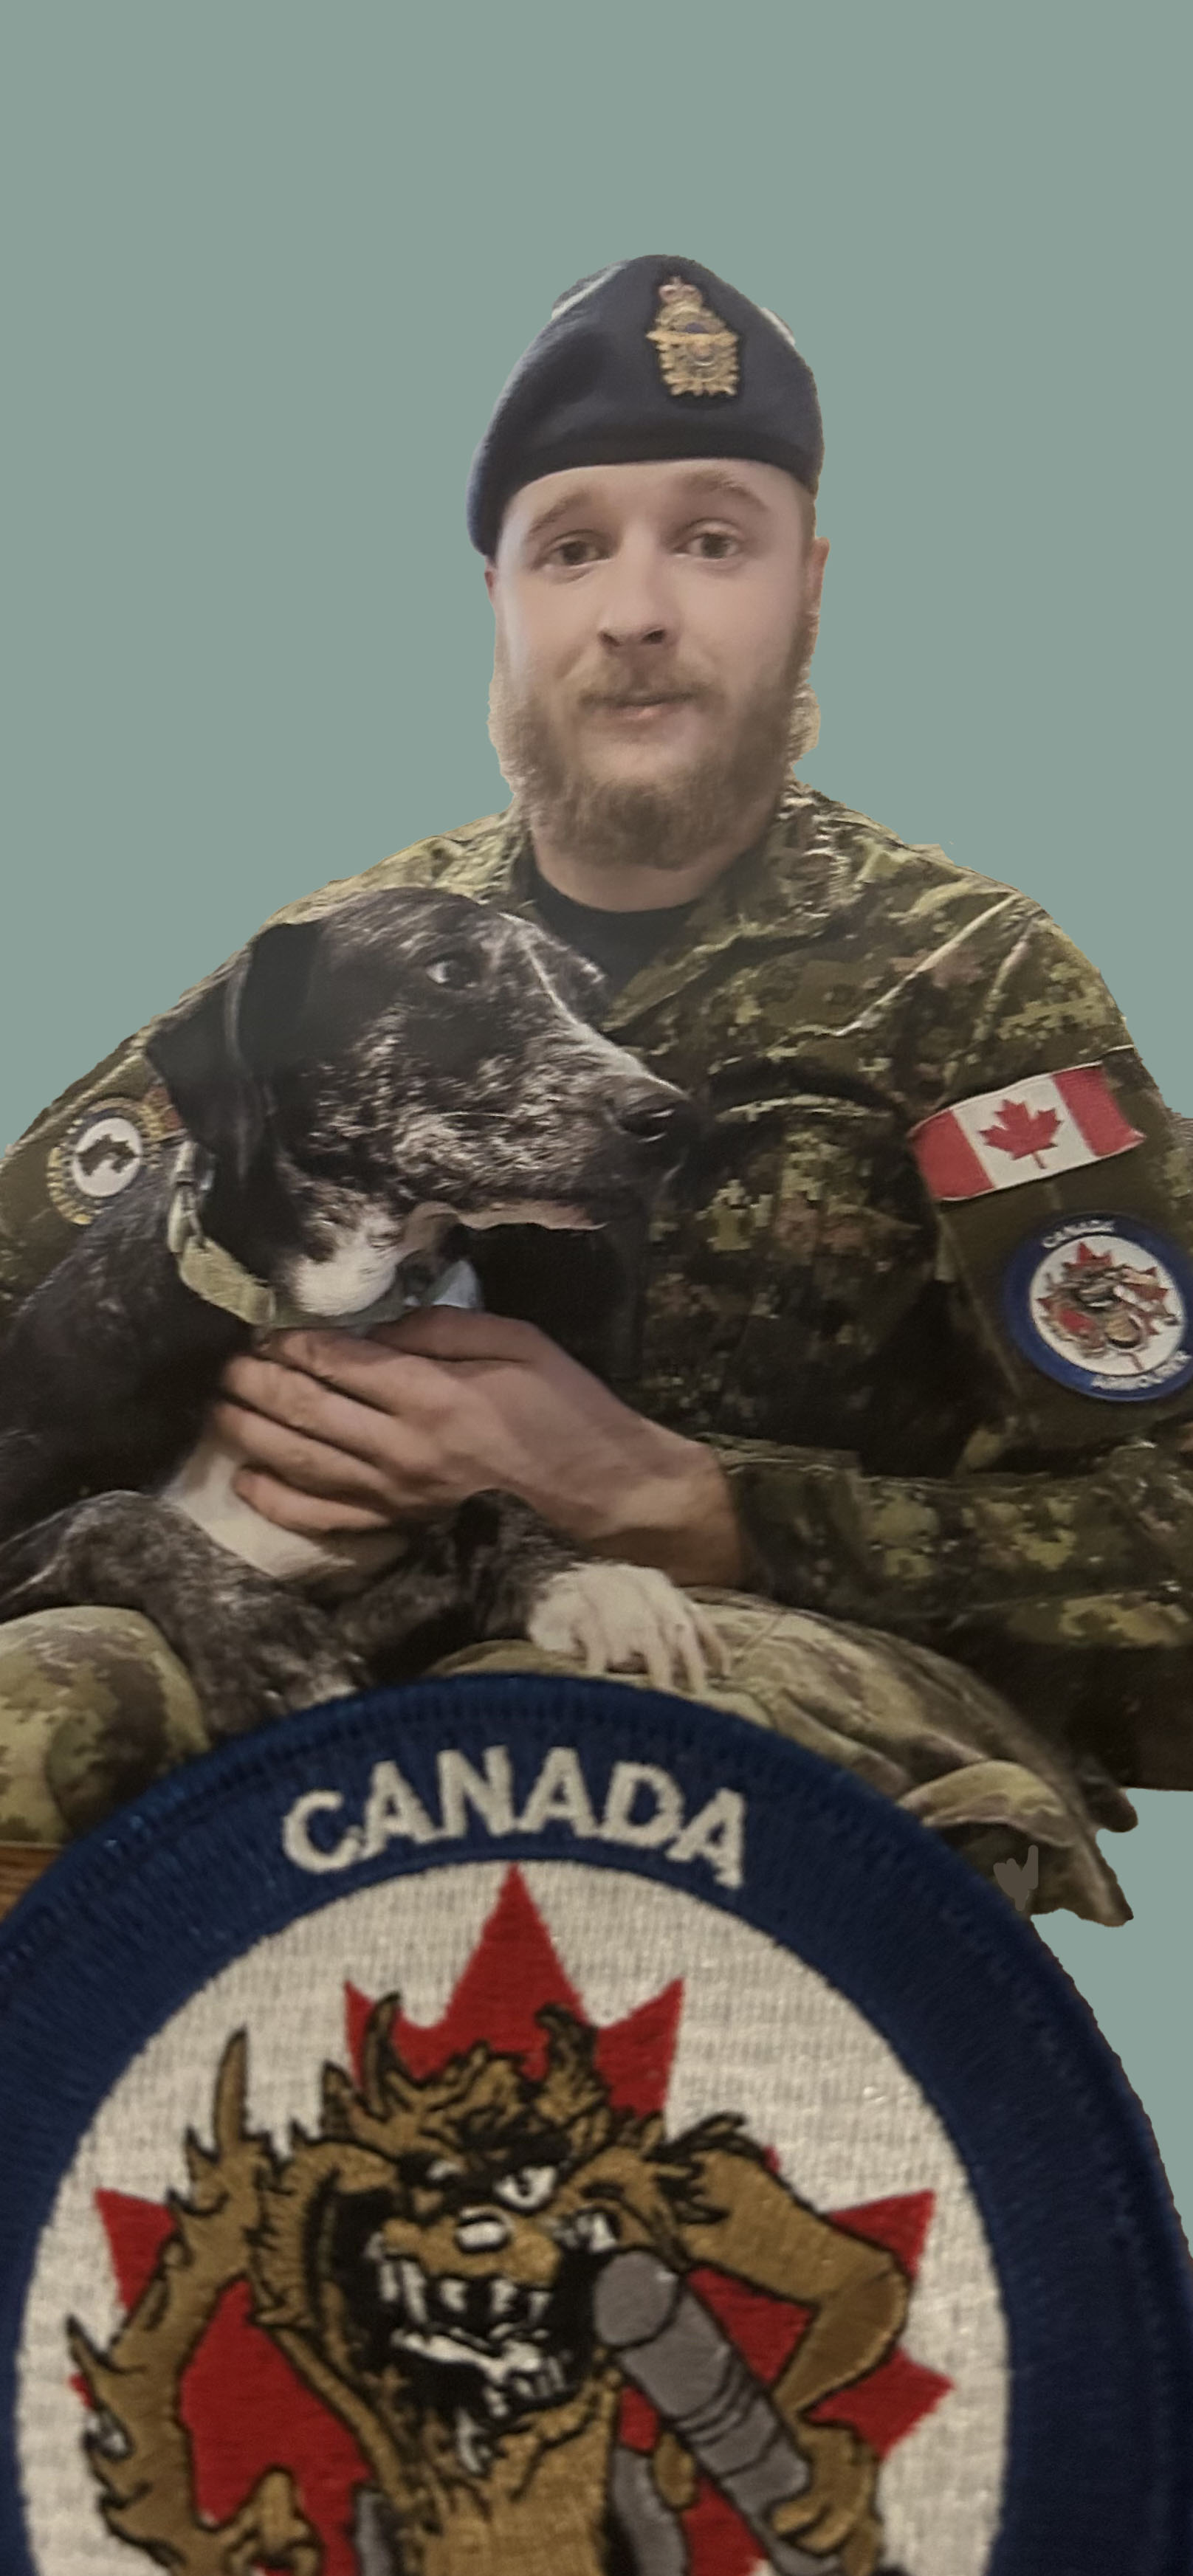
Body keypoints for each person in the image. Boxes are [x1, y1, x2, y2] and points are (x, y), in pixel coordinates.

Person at [2, 253, 1192, 1926]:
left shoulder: (973, 987)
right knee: (34, 1709)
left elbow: (1167, 1524)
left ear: (808, 586)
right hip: (312, 1624)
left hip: (759, 1672)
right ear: (500, 597)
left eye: (712, 539)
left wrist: (698, 1506)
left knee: (559, 1748)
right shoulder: (347, 961)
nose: (635, 609)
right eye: (571, 547)